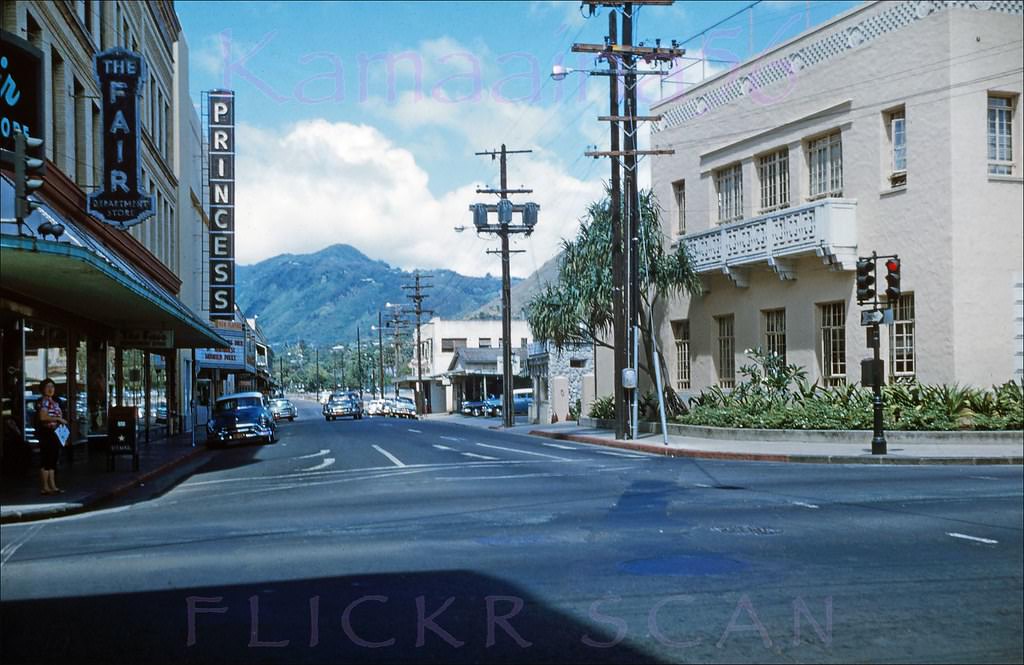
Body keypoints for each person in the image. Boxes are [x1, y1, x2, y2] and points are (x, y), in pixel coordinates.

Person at [36, 378, 67, 495]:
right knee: (47, 459)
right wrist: (58, 419)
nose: (50, 389)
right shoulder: (44, 402)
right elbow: (43, 417)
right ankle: (45, 486)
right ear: (43, 389)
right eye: (48, 387)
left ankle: (53, 485)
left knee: (53, 459)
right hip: (47, 432)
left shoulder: (55, 402)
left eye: (52, 387)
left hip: (55, 432)